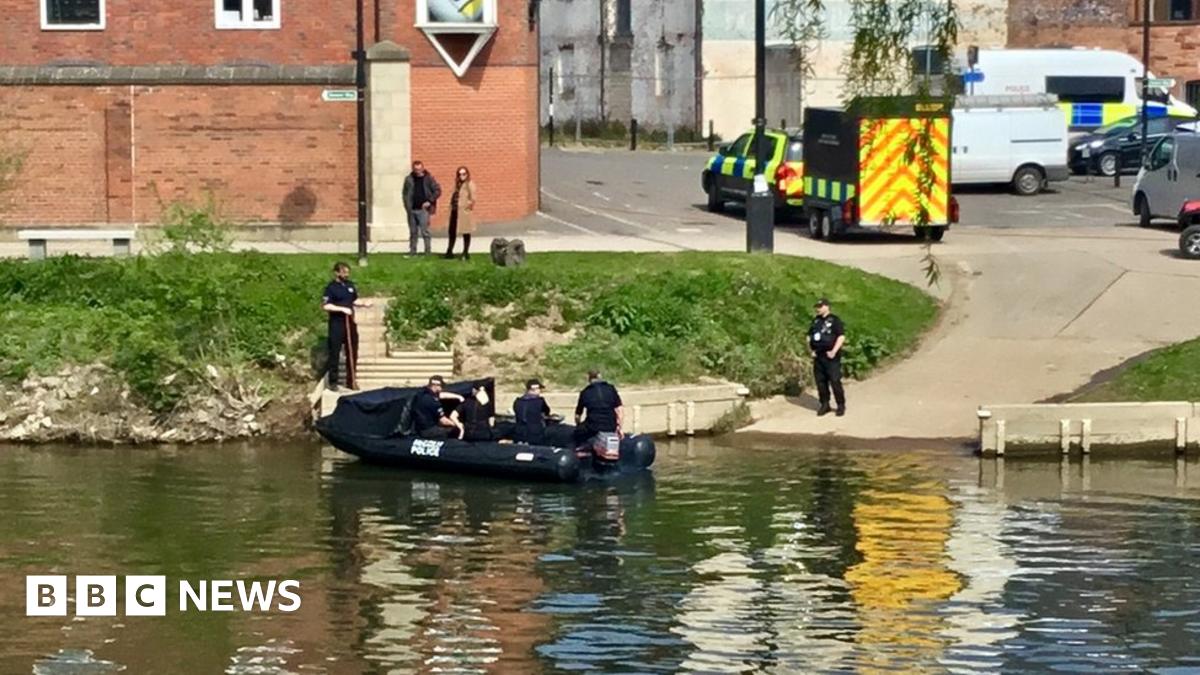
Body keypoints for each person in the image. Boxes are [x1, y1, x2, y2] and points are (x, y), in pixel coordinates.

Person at [320, 262, 371, 391]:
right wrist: (342, 309)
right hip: (337, 324)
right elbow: (326, 306)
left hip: (350, 322)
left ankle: (351, 380)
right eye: (344, 272)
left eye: (347, 272)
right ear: (337, 273)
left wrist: (364, 303)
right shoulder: (331, 288)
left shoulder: (350, 285)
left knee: (352, 352)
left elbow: (353, 300)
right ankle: (333, 382)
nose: (346, 275)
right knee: (335, 353)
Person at [808, 298, 846, 417]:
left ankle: (840, 405)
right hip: (818, 355)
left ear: (827, 306)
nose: (818, 309)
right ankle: (825, 404)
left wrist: (834, 351)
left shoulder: (835, 320)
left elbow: (841, 336)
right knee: (820, 382)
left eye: (820, 306)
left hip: (831, 355)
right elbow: (809, 337)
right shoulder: (815, 321)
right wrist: (811, 350)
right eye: (817, 307)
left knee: (835, 380)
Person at [574, 369, 624, 446]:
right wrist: (619, 427)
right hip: (611, 426)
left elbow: (577, 416)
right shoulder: (611, 389)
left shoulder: (585, 392)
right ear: (600, 377)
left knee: (576, 434)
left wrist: (578, 425)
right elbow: (620, 410)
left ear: (589, 379)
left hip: (593, 427)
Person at [402, 160, 441, 256]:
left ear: (422, 168)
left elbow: (437, 190)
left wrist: (430, 201)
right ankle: (412, 251)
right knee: (413, 232)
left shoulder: (429, 179)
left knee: (425, 232)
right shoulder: (409, 179)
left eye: (419, 169)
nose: (417, 171)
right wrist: (407, 205)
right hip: (412, 209)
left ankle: (427, 251)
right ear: (413, 169)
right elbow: (405, 193)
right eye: (415, 169)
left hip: (423, 210)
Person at [411, 375, 464, 439]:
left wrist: (458, 397)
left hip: (419, 428)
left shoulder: (422, 394)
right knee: (454, 430)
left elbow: (441, 395)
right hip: (429, 430)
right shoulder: (434, 402)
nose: (442, 388)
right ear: (436, 386)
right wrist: (456, 424)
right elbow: (443, 421)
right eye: (441, 386)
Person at [444, 166, 478, 261]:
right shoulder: (457, 184)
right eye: (459, 174)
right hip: (455, 211)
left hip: (464, 212)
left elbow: (473, 198)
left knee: (466, 232)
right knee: (452, 231)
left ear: (467, 174)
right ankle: (449, 251)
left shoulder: (469, 184)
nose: (461, 176)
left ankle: (465, 252)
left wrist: (467, 207)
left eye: (464, 174)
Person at [512, 379, 551, 444]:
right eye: (539, 389)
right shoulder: (540, 401)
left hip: (519, 433)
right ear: (533, 389)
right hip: (535, 434)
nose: (540, 391)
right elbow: (547, 411)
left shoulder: (517, 401)